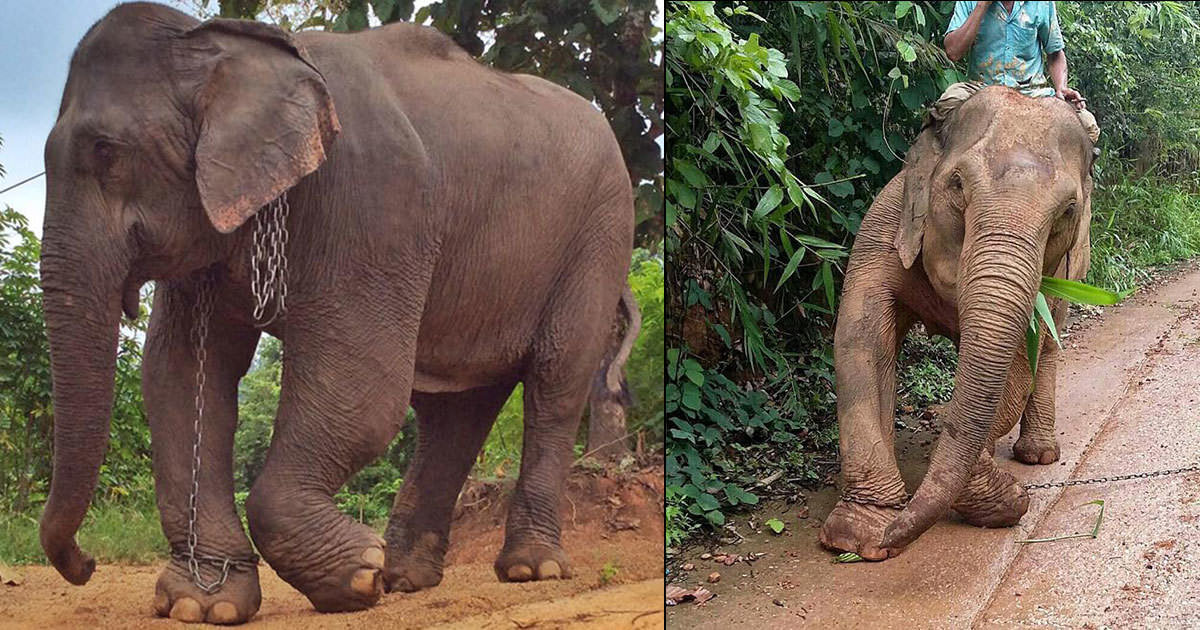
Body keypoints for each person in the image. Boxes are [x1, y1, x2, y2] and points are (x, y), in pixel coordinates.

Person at [933, 1, 1099, 142]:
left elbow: (1055, 53)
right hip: (980, 89)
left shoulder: (1042, 3)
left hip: (1032, 92)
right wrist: (982, 5)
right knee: (946, 104)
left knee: (1087, 125)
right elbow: (953, 51)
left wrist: (1061, 87)